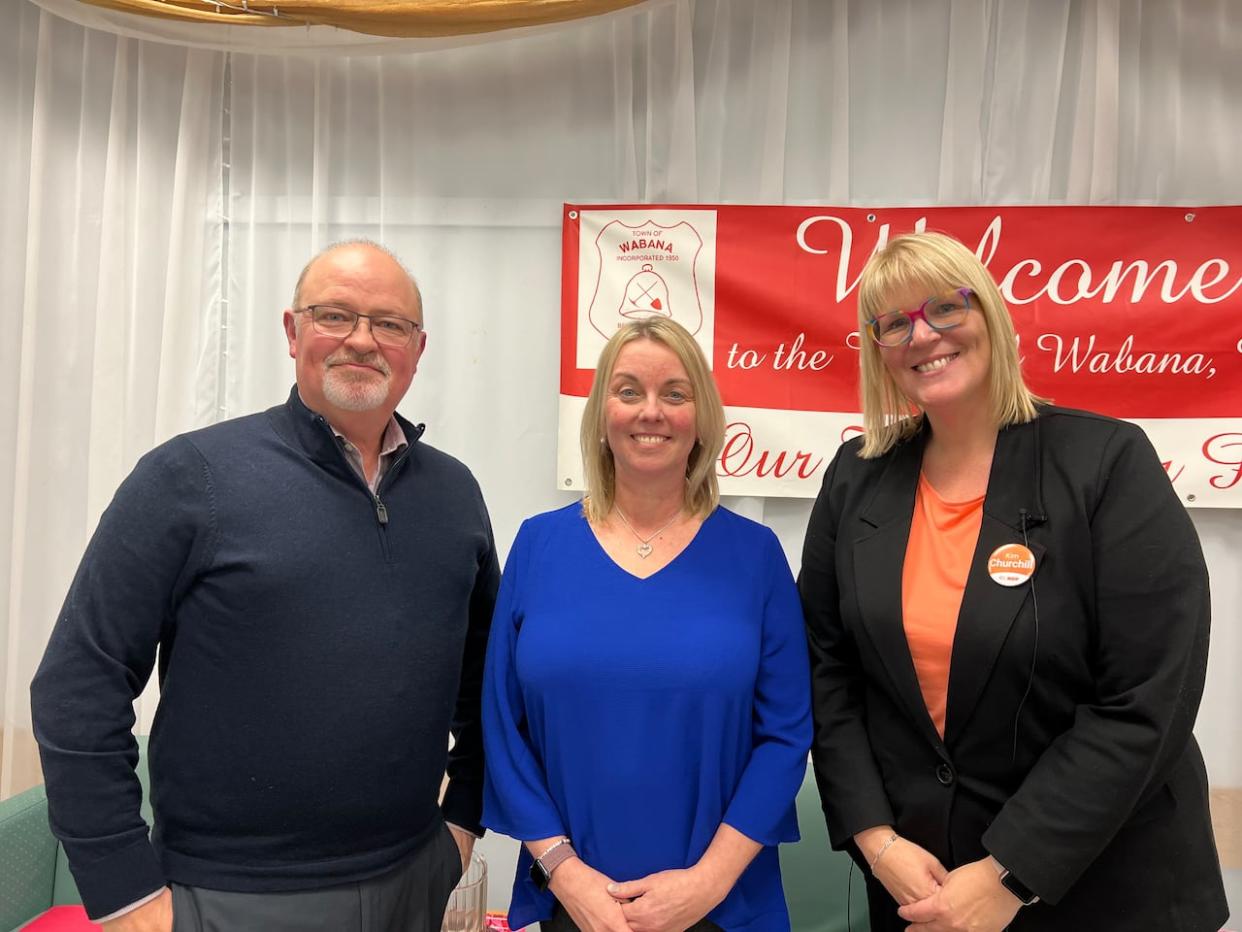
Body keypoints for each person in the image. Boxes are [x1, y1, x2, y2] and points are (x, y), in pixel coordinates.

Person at [30, 240, 499, 932]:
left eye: (389, 324)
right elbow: (78, 683)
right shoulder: (189, 479)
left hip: (413, 881)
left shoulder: (455, 493)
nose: (362, 340)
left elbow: (484, 680)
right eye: (335, 315)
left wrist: (461, 820)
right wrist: (126, 895)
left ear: (417, 348)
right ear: (293, 331)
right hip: (230, 898)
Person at [799, 231, 1228, 931]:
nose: (923, 334)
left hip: (1107, 884)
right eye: (895, 322)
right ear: (876, 348)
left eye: (945, 307)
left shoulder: (1105, 461)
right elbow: (826, 670)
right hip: (922, 883)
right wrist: (875, 839)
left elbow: (1147, 694)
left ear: (990, 313)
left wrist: (1010, 872)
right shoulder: (857, 478)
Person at [482, 318, 812, 932]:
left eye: (675, 394)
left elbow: (787, 733)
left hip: (723, 907)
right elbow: (502, 726)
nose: (650, 412)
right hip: (572, 905)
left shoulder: (756, 556)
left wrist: (706, 884)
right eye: (629, 391)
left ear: (702, 418)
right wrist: (565, 871)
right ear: (601, 413)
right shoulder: (538, 546)